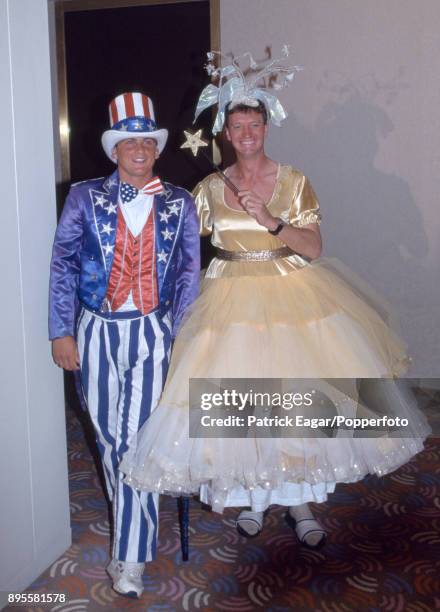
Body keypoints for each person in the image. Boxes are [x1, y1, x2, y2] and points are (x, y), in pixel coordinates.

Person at [120, 52, 430, 547]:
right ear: (224, 131)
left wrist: (271, 221)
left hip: (293, 294)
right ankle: (254, 496)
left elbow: (313, 249)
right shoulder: (208, 188)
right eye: (237, 125)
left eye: (255, 124)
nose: (246, 134)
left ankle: (299, 500)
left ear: (266, 128)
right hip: (227, 298)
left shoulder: (294, 180)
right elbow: (175, 245)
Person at [49, 92, 200, 598]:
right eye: (128, 140)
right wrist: (61, 330)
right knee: (110, 441)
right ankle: (136, 526)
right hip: (94, 330)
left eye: (146, 140)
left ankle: (130, 556)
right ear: (114, 150)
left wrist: (183, 335)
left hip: (152, 331)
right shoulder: (83, 197)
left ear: (156, 149)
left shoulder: (179, 201)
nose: (138, 148)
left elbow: (186, 274)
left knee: (133, 441)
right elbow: (64, 265)